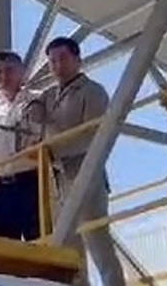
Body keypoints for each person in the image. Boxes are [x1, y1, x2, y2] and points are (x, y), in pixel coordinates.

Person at [39, 37, 126, 286]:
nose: (57, 66)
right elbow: (28, 108)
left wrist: (53, 149)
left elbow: (93, 137)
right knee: (69, 251)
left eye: (63, 58)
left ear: (78, 59)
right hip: (58, 180)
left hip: (87, 175)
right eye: (52, 61)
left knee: (97, 242)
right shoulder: (48, 96)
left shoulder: (93, 91)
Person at [0, 51, 43, 240]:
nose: (3, 76)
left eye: (9, 70)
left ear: (21, 71)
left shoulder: (38, 99)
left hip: (30, 182)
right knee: (4, 247)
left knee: (37, 243)